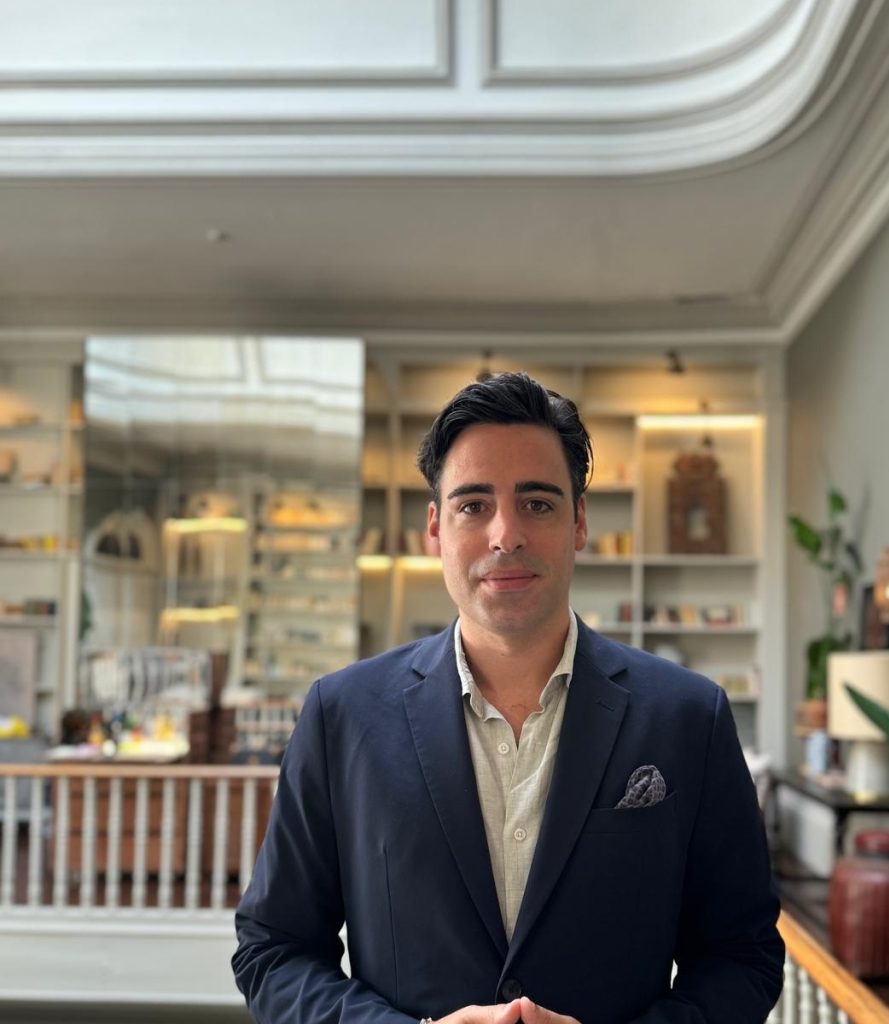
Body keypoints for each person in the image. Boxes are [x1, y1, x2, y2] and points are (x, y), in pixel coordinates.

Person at [233, 371, 784, 1024]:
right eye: (473, 505)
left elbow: (743, 956)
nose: (505, 534)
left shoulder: (689, 717)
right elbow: (273, 950)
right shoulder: (341, 716)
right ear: (434, 529)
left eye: (538, 503)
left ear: (579, 521)